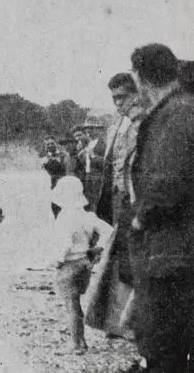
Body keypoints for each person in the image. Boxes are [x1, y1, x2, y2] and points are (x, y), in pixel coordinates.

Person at [128, 43, 194, 372]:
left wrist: (141, 218)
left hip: (170, 256)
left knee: (163, 351)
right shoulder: (179, 110)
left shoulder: (175, 115)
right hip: (174, 254)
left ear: (140, 78)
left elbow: (168, 182)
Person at [86, 72, 145, 339]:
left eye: (122, 97)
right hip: (118, 202)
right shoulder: (117, 124)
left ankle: (130, 324)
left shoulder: (141, 123)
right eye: (114, 99)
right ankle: (117, 322)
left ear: (135, 94)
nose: (118, 103)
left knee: (132, 262)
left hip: (134, 202)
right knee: (119, 261)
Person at [52, 176, 111, 355]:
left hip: (69, 263)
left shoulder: (64, 217)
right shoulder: (86, 216)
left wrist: (58, 260)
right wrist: (98, 248)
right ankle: (81, 341)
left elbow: (66, 243)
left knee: (71, 305)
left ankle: (75, 343)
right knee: (76, 303)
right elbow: (108, 230)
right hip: (85, 262)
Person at [72, 118, 107, 211]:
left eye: (91, 128)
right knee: (86, 204)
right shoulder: (86, 144)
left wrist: (93, 156)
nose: (88, 130)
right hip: (87, 178)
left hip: (98, 179)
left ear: (97, 130)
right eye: (87, 128)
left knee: (96, 204)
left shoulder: (103, 144)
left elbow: (106, 163)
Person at [40, 135, 74, 217]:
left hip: (63, 183)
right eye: (47, 144)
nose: (50, 145)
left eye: (52, 143)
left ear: (56, 144)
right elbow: (43, 175)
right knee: (54, 207)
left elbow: (68, 170)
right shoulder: (44, 159)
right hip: (52, 185)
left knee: (65, 206)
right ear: (45, 146)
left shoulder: (64, 155)